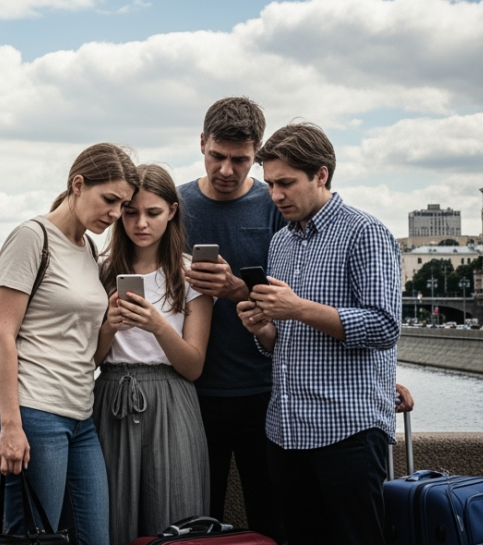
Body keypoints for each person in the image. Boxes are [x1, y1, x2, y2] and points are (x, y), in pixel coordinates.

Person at [237, 123, 402, 545]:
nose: (275, 195)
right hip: (286, 430)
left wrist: (297, 308)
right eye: (271, 183)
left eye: (286, 183)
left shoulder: (366, 232)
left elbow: (384, 326)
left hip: (347, 430)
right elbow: (284, 343)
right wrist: (264, 327)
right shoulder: (280, 243)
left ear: (322, 174)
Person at [0, 142, 139, 545]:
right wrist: (10, 426)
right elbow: (1, 332)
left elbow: (85, 350)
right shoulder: (31, 237)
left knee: (95, 538)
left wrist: (110, 323)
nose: (114, 214)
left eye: (122, 205)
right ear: (78, 184)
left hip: (81, 417)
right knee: (33, 539)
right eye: (109, 200)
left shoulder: (88, 248)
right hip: (35, 413)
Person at [178, 97, 287, 541]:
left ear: (257, 154)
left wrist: (237, 290)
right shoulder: (175, 205)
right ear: (202, 143)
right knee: (200, 519)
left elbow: (297, 299)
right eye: (216, 157)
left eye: (240, 160)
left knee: (271, 516)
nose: (226, 170)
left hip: (266, 389)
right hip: (193, 393)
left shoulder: (275, 206)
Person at [93, 164, 213, 545]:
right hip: (111, 395)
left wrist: (157, 324)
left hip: (172, 398)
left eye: (153, 213)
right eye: (130, 212)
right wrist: (110, 325)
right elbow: (91, 361)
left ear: (173, 211)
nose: (140, 223)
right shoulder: (101, 271)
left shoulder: (192, 274)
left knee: (175, 513)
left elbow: (193, 366)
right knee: (112, 515)